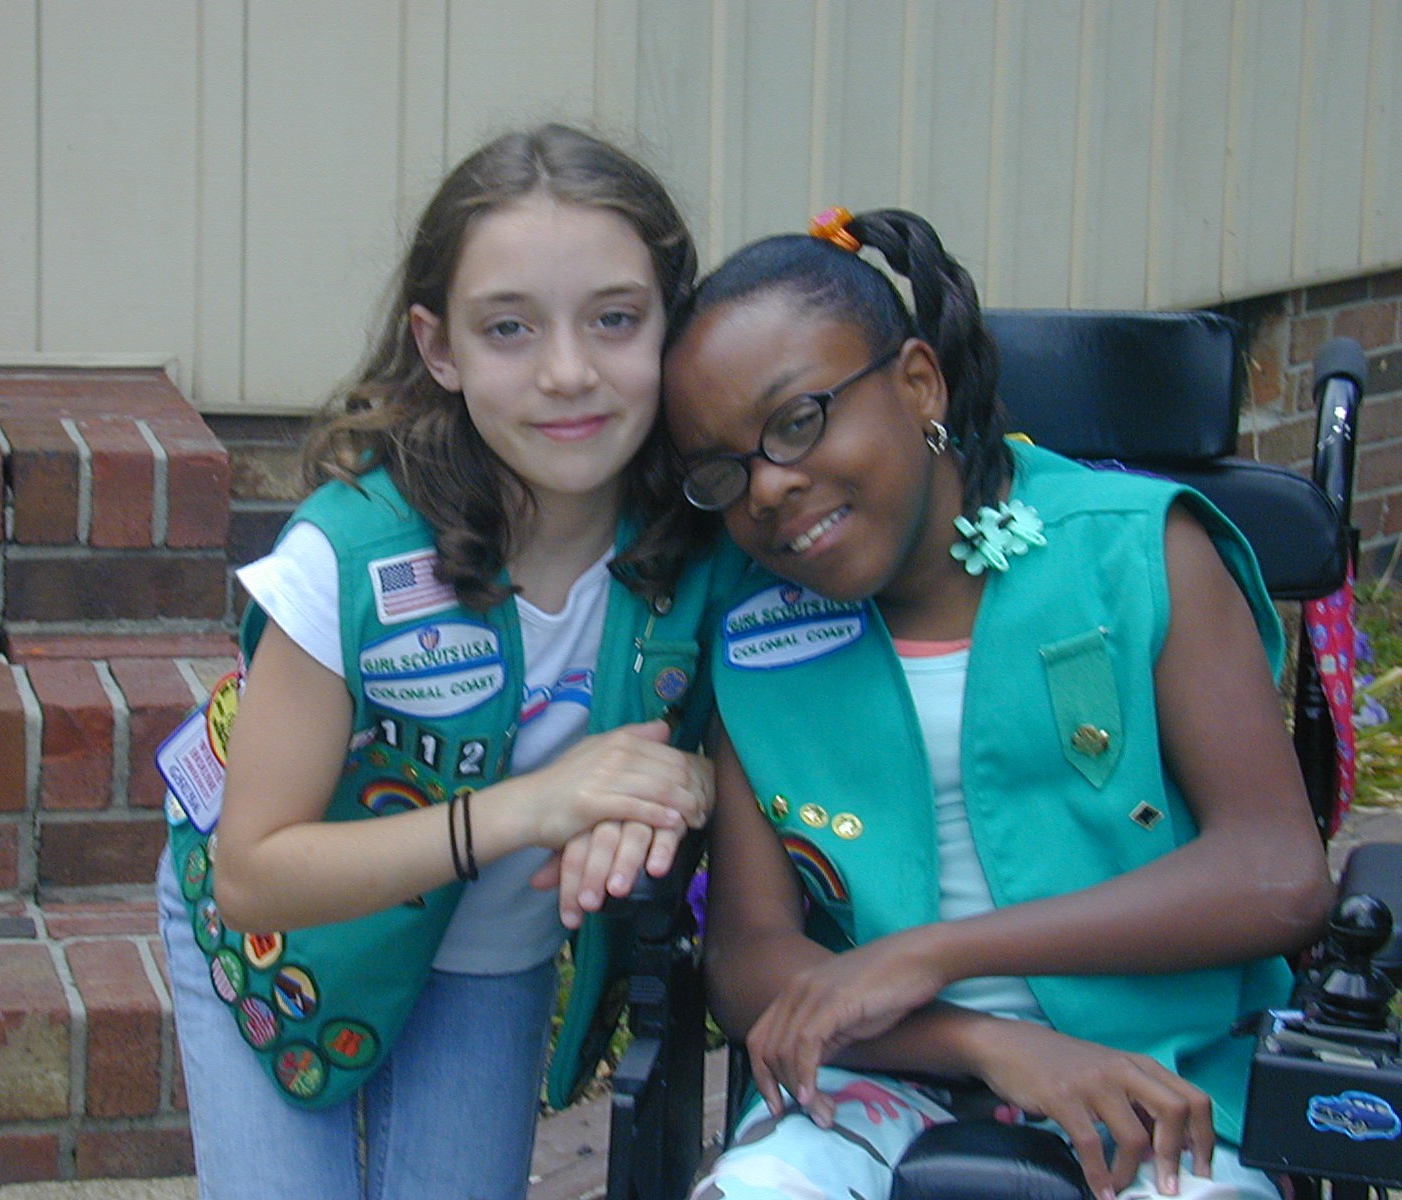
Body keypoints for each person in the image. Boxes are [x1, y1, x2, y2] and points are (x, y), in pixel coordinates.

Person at [660, 207, 1335, 1200]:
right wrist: (984, 1042)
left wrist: (936, 953)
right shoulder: (761, 633)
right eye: (724, 472)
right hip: (882, 1076)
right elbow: (747, 955)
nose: (766, 488)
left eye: (797, 421)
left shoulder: (1134, 554)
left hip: (1167, 1073)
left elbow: (1277, 873)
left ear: (918, 383)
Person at [156, 124, 740, 1200]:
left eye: (615, 319)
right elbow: (253, 873)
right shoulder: (350, 556)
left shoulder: (711, 549)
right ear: (439, 347)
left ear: (674, 324)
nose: (568, 372)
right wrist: (529, 809)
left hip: (487, 956)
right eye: (508, 327)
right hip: (291, 942)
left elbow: (732, 749)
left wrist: (684, 781)